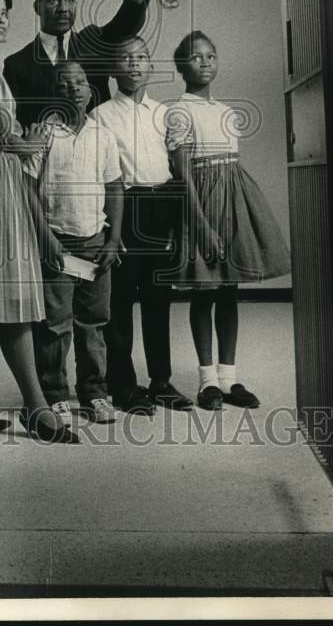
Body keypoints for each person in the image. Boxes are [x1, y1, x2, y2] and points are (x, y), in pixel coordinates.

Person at [0, 0, 79, 443]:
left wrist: (12, 136)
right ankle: (37, 408)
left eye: (4, 11)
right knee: (13, 295)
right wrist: (21, 137)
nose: (1, 18)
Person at [165, 30, 291, 410]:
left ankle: (230, 377)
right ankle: (208, 382)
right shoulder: (179, 111)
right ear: (180, 66)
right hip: (202, 204)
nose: (204, 62)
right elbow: (183, 172)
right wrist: (201, 225)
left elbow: (229, 168)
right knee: (204, 293)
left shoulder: (225, 111)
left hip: (234, 200)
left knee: (229, 292)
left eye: (210, 56)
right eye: (194, 57)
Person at [91, 35, 193, 414]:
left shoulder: (162, 113)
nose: (134, 63)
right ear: (114, 69)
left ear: (150, 66)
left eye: (142, 57)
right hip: (124, 206)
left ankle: (161, 381)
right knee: (119, 300)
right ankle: (123, 384)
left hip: (161, 204)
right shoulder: (100, 115)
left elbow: (175, 168)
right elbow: (102, 174)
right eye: (125, 57)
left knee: (158, 298)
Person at [23, 61, 124, 424]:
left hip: (94, 241)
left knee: (93, 322)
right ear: (55, 92)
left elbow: (114, 186)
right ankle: (54, 393)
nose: (74, 89)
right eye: (65, 84)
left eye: (80, 82)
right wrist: (46, 239)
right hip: (57, 242)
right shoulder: (44, 133)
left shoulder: (103, 135)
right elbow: (27, 189)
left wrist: (113, 238)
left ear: (89, 89)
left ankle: (95, 392)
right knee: (55, 323)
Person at [3, 0, 152, 130]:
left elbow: (125, 25)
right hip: (45, 154)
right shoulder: (16, 64)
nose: (63, 8)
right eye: (53, 0)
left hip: (96, 148)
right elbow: (14, 122)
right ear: (38, 7)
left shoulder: (94, 42)